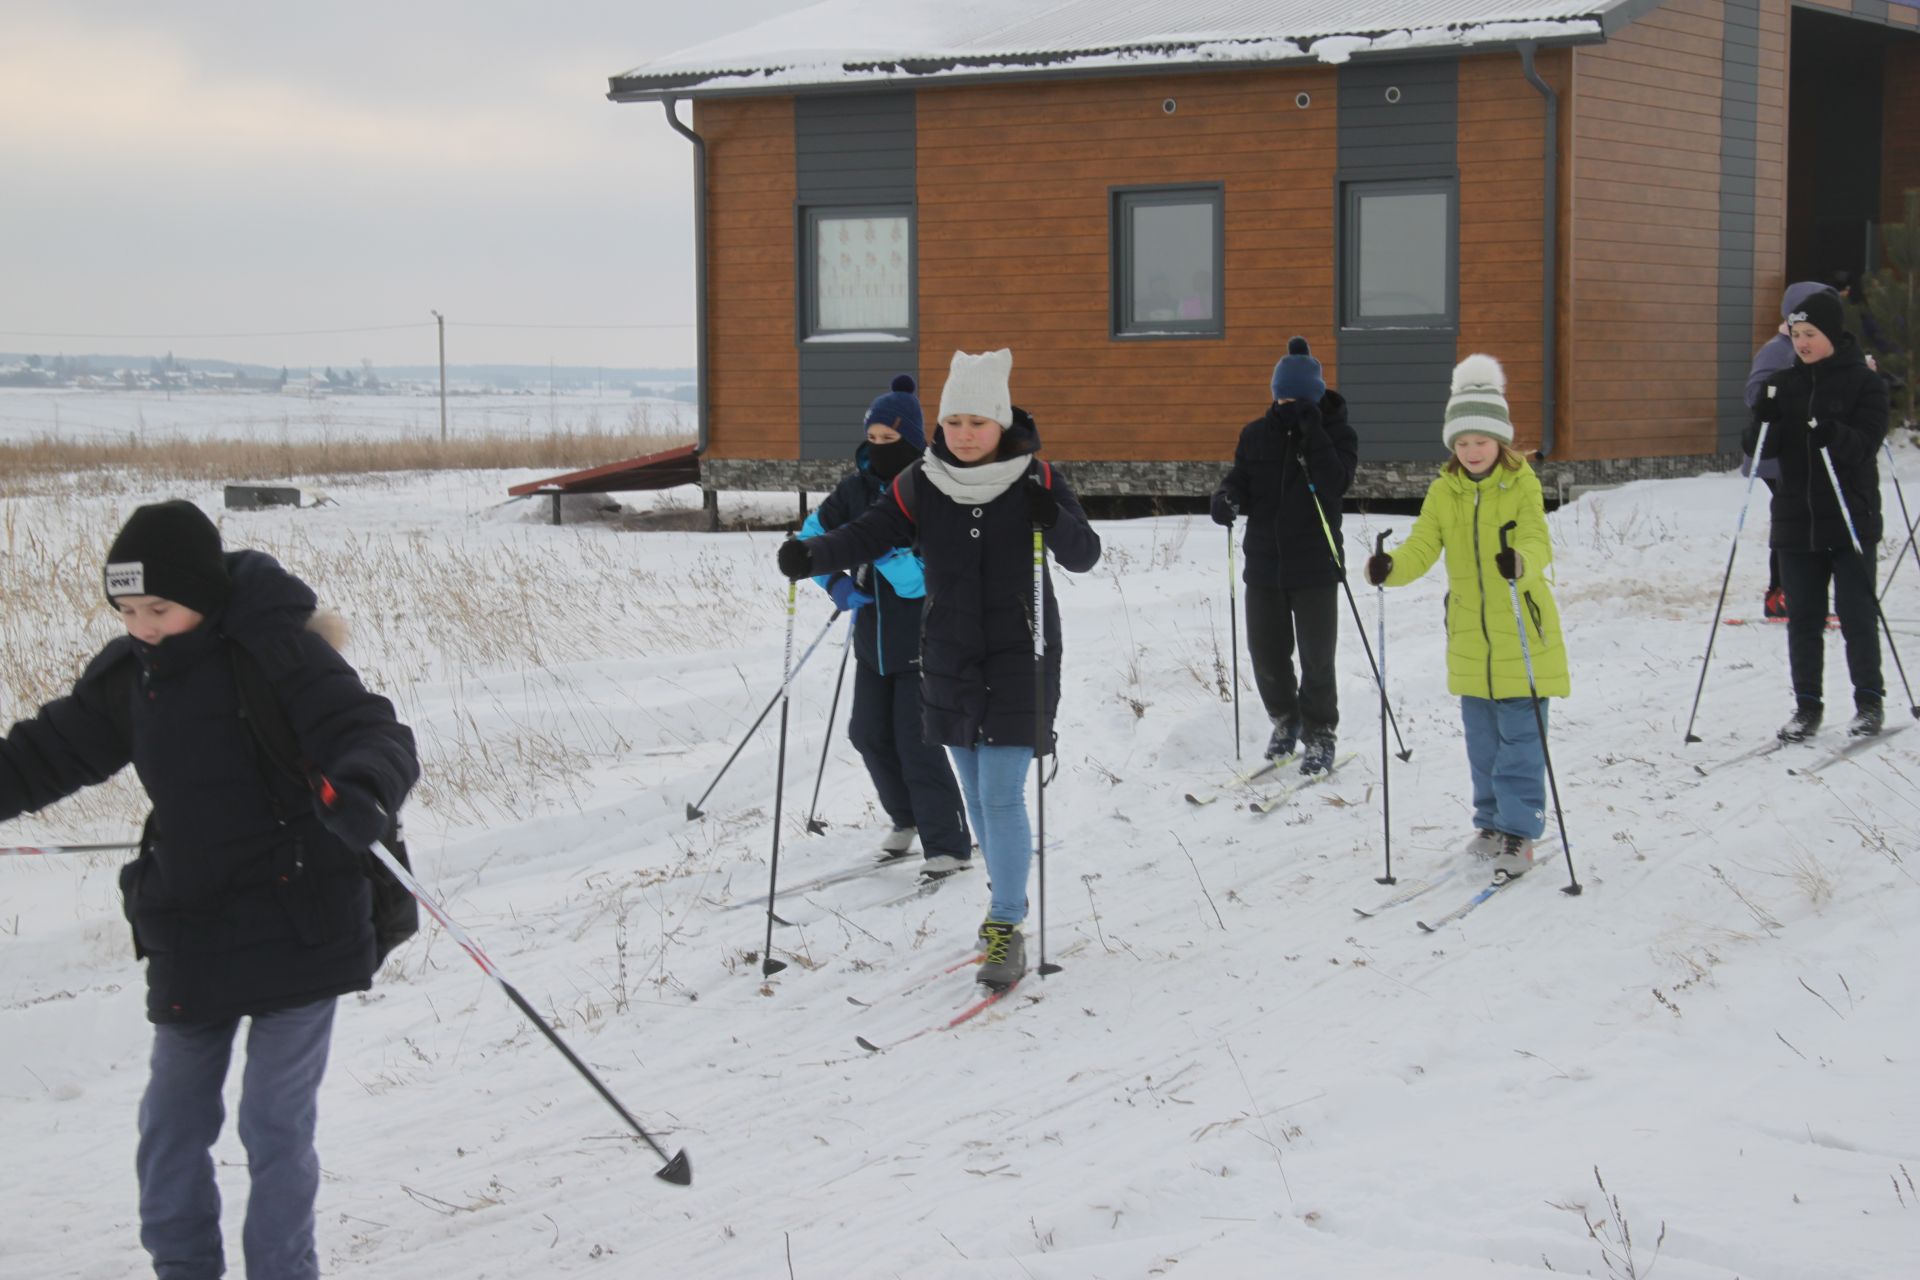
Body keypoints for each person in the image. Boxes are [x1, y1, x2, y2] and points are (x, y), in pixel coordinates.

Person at [0, 500, 419, 1280]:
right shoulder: (132, 676)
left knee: (273, 1123)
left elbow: (373, 732)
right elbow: (42, 755)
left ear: (202, 592)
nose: (143, 626)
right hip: (193, 923)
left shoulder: (279, 652)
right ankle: (182, 1268)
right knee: (171, 1124)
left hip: (302, 918)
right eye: (126, 611)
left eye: (158, 608)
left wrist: (364, 786)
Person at [776, 349, 1101, 990]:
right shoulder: (920, 483)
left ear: (1001, 421)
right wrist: (812, 554)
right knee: (979, 793)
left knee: (1003, 793)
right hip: (948, 655)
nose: (964, 434)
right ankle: (1001, 901)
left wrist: (1054, 520)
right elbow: (867, 533)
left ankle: (1006, 919)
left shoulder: (1035, 480)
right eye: (954, 421)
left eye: (978, 422)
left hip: (1020, 653)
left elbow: (1085, 554)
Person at [1364, 355, 1568, 880]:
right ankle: (1492, 823)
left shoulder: (1520, 484)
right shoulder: (1444, 490)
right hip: (1471, 640)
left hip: (1522, 633)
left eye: (1480, 441)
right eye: (1462, 443)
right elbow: (1423, 545)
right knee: (1482, 739)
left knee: (1521, 741)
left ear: (1500, 440)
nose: (1472, 451)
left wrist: (1519, 563)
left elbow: (1536, 540)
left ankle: (1521, 832)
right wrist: (1391, 568)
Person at [797, 374, 972, 873]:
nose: (877, 449)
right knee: (868, 733)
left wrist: (880, 548)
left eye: (888, 441)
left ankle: (949, 846)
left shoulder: (928, 491)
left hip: (922, 638)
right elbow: (811, 536)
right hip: (872, 640)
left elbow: (922, 582)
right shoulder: (855, 488)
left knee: (918, 742)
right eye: (872, 439)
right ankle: (907, 820)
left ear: (913, 441)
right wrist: (833, 582)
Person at [1742, 287, 1891, 740]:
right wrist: (1762, 420)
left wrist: (1835, 434)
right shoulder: (1786, 384)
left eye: (1810, 334)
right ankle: (1807, 706)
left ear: (1830, 333)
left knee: (1855, 613)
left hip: (1848, 519)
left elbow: (1865, 444)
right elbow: (1761, 450)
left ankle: (1868, 702)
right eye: (1796, 334)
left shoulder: (1864, 383)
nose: (1802, 343)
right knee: (1802, 617)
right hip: (1795, 520)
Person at [1210, 336, 1359, 774]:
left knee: (1317, 658)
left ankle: (1319, 733)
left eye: (1296, 398)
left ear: (1314, 397)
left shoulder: (1338, 434)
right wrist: (1227, 498)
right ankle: (1285, 719)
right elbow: (1242, 479)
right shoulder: (1257, 434)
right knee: (1267, 655)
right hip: (1264, 564)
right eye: (1282, 397)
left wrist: (1313, 436)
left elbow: (1335, 484)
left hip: (1315, 564)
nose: (1287, 405)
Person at [1744, 281, 1833, 621]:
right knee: (1792, 519)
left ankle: (1792, 592)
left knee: (1801, 519)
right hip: (1775, 456)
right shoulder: (1777, 349)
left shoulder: (1810, 348)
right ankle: (1780, 594)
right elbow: (1755, 394)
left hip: (1801, 453)